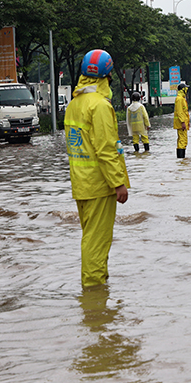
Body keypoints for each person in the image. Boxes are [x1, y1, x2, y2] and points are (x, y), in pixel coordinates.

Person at [65, 49, 130, 288]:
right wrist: (118, 183)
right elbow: (106, 148)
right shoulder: (100, 105)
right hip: (100, 184)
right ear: (107, 76)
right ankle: (94, 295)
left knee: (90, 237)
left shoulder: (74, 103)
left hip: (81, 183)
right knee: (97, 241)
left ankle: (97, 285)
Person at [173, 82, 190, 158]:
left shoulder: (182, 98)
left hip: (183, 123)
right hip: (181, 123)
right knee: (182, 141)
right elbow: (180, 112)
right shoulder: (180, 99)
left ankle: (181, 159)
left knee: (183, 140)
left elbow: (184, 112)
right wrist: (183, 122)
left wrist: (187, 122)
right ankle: (181, 158)